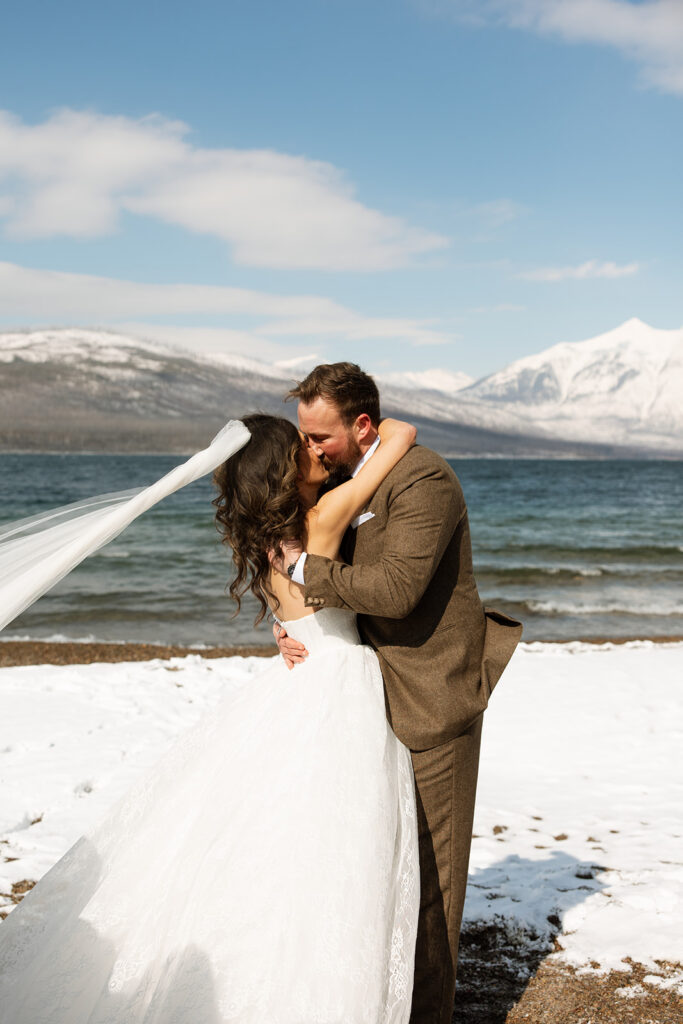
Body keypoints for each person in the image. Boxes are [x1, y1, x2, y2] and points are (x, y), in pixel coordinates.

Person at [0, 413, 421, 1023]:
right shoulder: (322, 518)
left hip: (300, 679)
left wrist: (284, 626)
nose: (312, 448)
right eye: (301, 443)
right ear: (279, 467)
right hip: (338, 683)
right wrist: (354, 430)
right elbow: (402, 433)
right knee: (332, 841)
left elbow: (298, 606)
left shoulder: (264, 534)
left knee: (281, 831)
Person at [273, 363, 523, 1024]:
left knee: (433, 883)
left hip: (431, 696)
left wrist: (301, 569)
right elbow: (344, 593)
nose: (311, 449)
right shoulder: (351, 481)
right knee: (380, 865)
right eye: (304, 437)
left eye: (319, 435)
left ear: (362, 426)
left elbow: (395, 591)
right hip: (364, 697)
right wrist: (296, 624)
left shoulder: (424, 479)